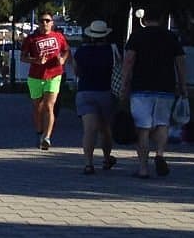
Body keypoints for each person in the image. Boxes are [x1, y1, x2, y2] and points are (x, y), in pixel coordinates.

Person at [120, 11, 187, 178]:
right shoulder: (171, 37)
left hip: (141, 88)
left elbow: (129, 60)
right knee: (163, 124)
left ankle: (143, 168)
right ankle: (160, 154)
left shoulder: (137, 36)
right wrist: (182, 84)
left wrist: (124, 84)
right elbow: (180, 62)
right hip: (165, 87)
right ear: (161, 19)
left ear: (143, 19)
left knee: (143, 129)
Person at [70, 19, 121, 174]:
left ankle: (88, 163)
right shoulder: (111, 50)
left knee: (89, 130)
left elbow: (76, 72)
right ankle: (106, 158)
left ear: (91, 35)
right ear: (105, 35)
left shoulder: (81, 51)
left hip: (85, 92)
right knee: (105, 129)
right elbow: (120, 68)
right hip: (106, 92)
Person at [20, 12, 71, 151]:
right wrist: (36, 60)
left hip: (54, 75)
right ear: (38, 23)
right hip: (36, 77)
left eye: (47, 20)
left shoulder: (58, 37)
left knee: (49, 106)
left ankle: (47, 137)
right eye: (42, 21)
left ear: (52, 23)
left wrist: (62, 59)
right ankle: (39, 132)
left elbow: (66, 50)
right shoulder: (31, 39)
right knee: (38, 107)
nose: (45, 23)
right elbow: (22, 57)